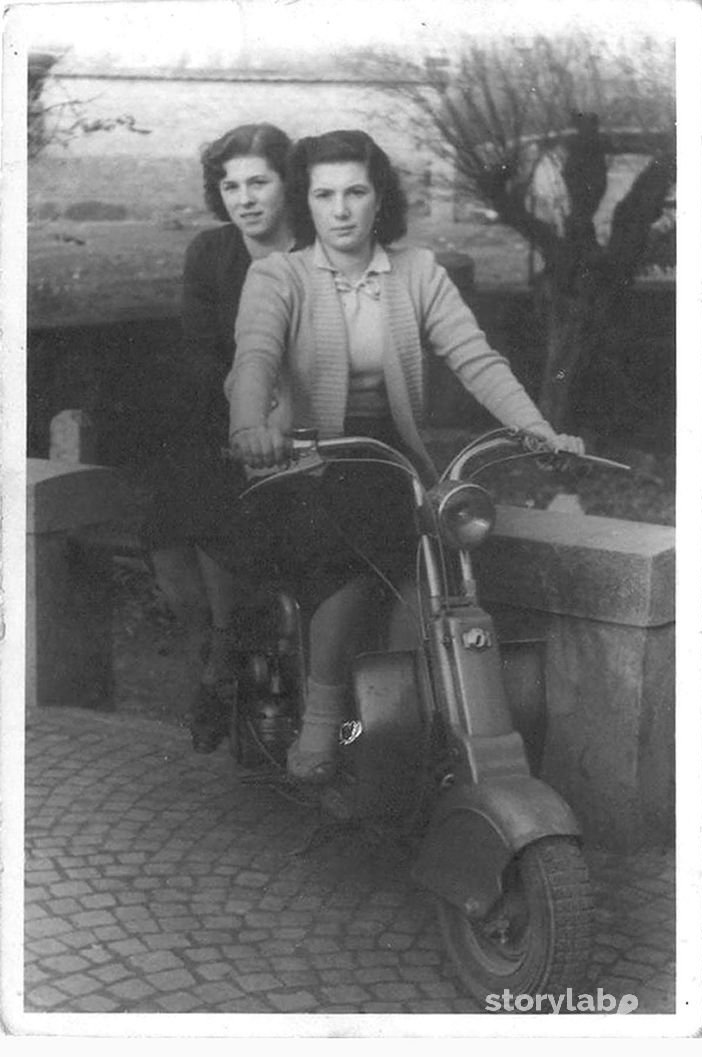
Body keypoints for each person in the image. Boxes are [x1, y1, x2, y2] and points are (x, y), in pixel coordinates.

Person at [225, 129, 584, 784]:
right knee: (361, 541)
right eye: (324, 194)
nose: (340, 210)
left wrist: (536, 428)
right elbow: (255, 356)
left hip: (388, 457)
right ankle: (324, 713)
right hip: (299, 460)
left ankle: (409, 721)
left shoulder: (417, 272)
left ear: (377, 196)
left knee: (436, 560)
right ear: (305, 202)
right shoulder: (278, 274)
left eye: (355, 191)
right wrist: (251, 424)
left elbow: (474, 356)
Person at [144, 122, 294, 753]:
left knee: (217, 504)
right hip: (226, 413)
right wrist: (242, 415)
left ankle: (223, 661)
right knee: (166, 517)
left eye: (259, 181)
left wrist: (268, 420)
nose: (244, 198)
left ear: (290, 183)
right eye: (230, 185)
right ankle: (214, 648)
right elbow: (202, 350)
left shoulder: (315, 248)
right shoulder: (211, 253)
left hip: (300, 419)